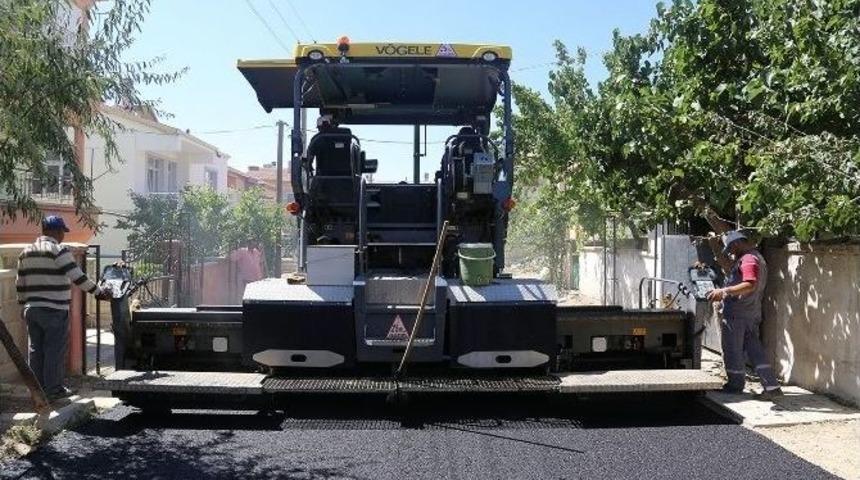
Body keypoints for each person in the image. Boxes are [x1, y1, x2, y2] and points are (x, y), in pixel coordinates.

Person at [15, 215, 110, 400]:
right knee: (54, 351)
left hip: (31, 309)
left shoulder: (25, 252)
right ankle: (53, 390)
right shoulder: (58, 250)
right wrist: (98, 292)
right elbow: (78, 277)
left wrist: (23, 305)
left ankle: (37, 390)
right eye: (62, 232)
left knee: (35, 350)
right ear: (56, 232)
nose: (63, 236)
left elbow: (20, 283)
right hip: (54, 309)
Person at [707, 230, 783, 400]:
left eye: (731, 249)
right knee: (755, 351)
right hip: (750, 312)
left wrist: (724, 291)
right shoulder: (757, 257)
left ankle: (734, 386)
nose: (731, 253)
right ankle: (772, 387)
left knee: (732, 350)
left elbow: (749, 284)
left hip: (738, 314)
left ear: (736, 243)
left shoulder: (748, 259)